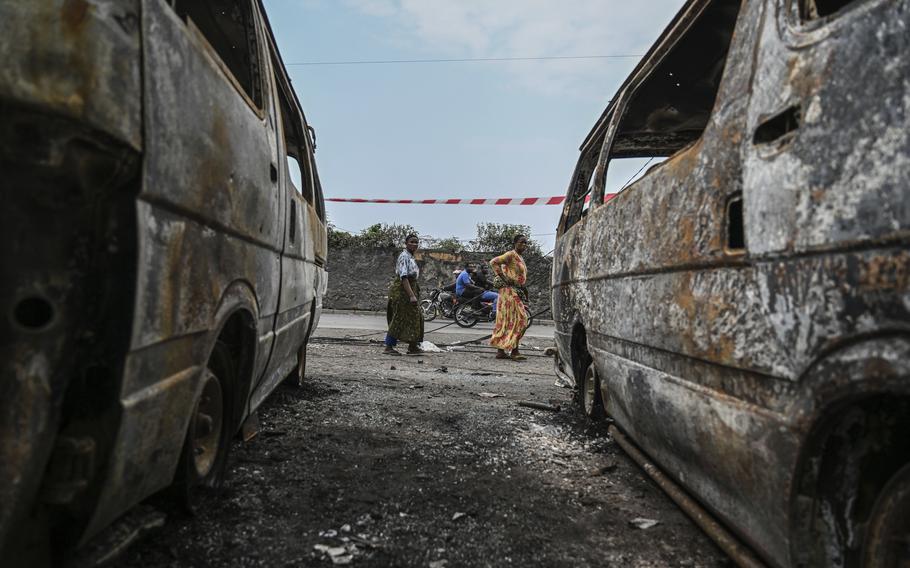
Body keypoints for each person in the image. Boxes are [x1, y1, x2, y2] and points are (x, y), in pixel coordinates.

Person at [489, 235, 530, 361]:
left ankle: (501, 351)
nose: (524, 245)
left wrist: (524, 291)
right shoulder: (510, 255)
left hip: (516, 290)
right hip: (509, 291)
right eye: (521, 242)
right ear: (515, 243)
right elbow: (493, 262)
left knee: (509, 320)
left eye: (526, 243)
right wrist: (503, 277)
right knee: (522, 319)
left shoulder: (520, 258)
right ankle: (514, 351)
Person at [384, 235, 424, 355]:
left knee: (416, 318)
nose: (415, 244)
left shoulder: (411, 257)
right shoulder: (404, 256)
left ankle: (413, 346)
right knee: (398, 318)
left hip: (409, 290)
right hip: (402, 292)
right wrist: (411, 295)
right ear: (406, 243)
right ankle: (389, 347)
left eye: (416, 242)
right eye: (412, 242)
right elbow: (403, 277)